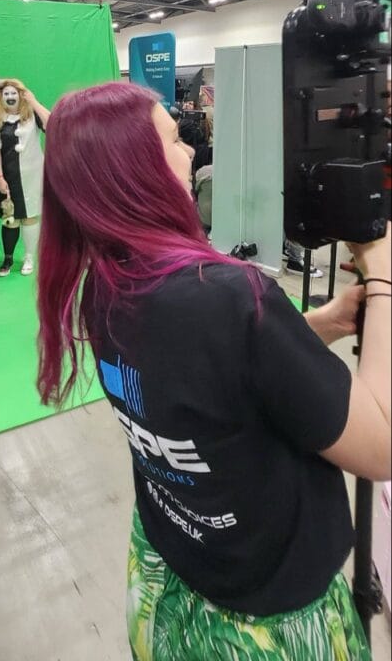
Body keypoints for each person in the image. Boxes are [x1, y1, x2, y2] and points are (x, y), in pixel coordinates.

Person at [37, 81, 391, 661]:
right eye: (174, 141)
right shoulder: (230, 297)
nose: (190, 154)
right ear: (134, 171)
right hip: (264, 615)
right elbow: (381, 448)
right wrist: (382, 272)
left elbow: (215, 378)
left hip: (168, 569)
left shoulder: (104, 285)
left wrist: (318, 323)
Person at [0, 79, 50, 277]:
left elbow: (51, 122)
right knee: (10, 219)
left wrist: (33, 101)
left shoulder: (32, 115)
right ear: (1, 97)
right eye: (6, 93)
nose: (10, 97)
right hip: (8, 176)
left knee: (30, 217)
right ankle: (8, 258)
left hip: (32, 175)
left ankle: (30, 257)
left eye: (14, 93)